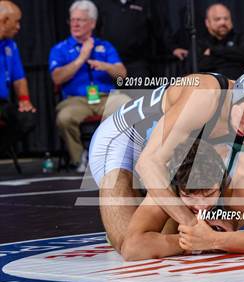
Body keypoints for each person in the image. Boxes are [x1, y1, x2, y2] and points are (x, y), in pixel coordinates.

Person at [89, 63, 244, 253]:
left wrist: (232, 222)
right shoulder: (204, 96)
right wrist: (196, 228)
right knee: (129, 244)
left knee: (168, 235)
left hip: (171, 152)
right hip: (125, 140)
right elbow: (148, 164)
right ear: (240, 92)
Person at [49, 0, 128, 172]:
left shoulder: (105, 47)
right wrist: (81, 58)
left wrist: (106, 66)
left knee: (125, 105)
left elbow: (122, 74)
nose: (75, 24)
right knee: (64, 118)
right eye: (73, 20)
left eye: (81, 20)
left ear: (92, 23)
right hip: (75, 100)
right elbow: (57, 78)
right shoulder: (60, 49)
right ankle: (80, 158)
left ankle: (107, 154)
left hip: (105, 97)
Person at [94, 0, 168, 79]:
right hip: (109, 62)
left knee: (140, 90)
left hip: (137, 62)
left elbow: (158, 29)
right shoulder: (102, 3)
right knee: (108, 90)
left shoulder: (145, 3)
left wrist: (172, 47)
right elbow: (94, 29)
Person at [0, 1, 36, 152]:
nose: (18, 27)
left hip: (2, 104)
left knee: (27, 118)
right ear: (4, 21)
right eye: (16, 22)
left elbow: (18, 78)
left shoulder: (10, 46)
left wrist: (24, 100)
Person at [197, 3, 244, 79]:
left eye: (226, 19)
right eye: (217, 19)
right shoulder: (200, 42)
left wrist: (213, 51)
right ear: (207, 22)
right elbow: (202, 65)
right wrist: (233, 57)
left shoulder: (240, 38)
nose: (223, 22)